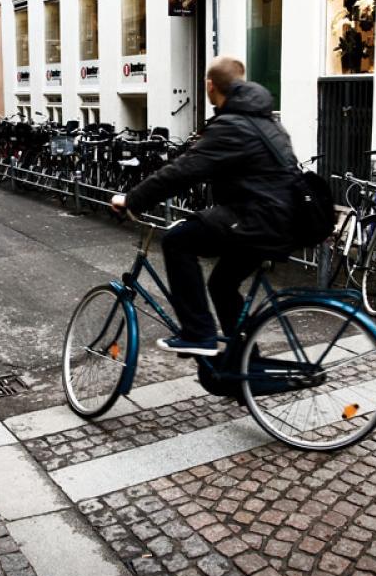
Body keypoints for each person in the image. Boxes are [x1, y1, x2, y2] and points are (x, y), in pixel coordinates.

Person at [111, 58, 298, 356]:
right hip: (277, 219)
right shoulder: (265, 120)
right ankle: (244, 366)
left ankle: (198, 334)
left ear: (210, 85)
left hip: (258, 218)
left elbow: (184, 170)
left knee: (177, 241)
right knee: (222, 285)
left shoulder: (233, 124)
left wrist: (133, 199)